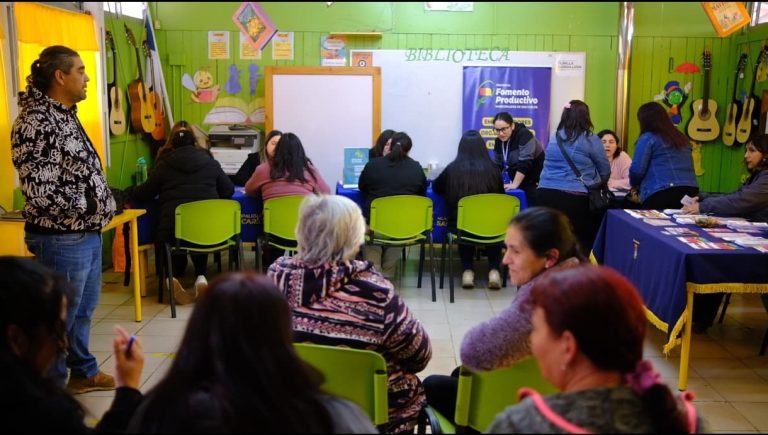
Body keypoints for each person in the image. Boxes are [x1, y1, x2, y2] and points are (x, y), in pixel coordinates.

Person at [127, 271, 376, 433]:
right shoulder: (334, 417)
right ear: (282, 334)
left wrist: (127, 389)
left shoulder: (156, 413)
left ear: (197, 330)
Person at [267, 195, 432, 434]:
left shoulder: (274, 280)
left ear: (300, 232)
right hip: (373, 419)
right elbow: (419, 356)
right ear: (356, 238)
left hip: (296, 412)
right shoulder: (377, 294)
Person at [11, 45, 118, 393]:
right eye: (81, 70)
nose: (87, 78)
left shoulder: (64, 115)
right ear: (60, 76)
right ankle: (49, 391)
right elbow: (40, 192)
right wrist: (93, 204)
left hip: (85, 233)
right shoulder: (36, 122)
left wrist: (102, 203)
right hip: (60, 238)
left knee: (82, 311)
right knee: (58, 320)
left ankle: (83, 371)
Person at [487, 265, 707, 433]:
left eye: (536, 330)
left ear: (568, 346)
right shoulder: (685, 421)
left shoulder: (521, 425)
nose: (532, 342)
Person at [423, 207, 585, 423]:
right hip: (564, 398)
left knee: (433, 384)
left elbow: (472, 350)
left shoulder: (540, 301)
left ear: (550, 257)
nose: (505, 260)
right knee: (459, 374)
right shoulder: (581, 279)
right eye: (506, 249)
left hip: (534, 408)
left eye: (515, 251)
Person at [0, 256, 145, 432]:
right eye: (58, 331)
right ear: (17, 339)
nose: (65, 343)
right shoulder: (39, 410)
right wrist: (128, 388)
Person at [129, 123, 235, 304]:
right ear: (194, 143)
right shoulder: (210, 162)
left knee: (164, 236)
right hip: (208, 230)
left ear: (172, 145)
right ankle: (201, 277)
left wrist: (131, 190)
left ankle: (171, 277)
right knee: (199, 230)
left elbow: (145, 193)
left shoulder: (164, 164)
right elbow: (228, 190)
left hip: (173, 230)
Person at [681, 134, 768, 332]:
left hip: (761, 242)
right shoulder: (759, 175)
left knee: (715, 260)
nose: (746, 156)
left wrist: (702, 206)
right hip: (752, 236)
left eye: (752, 151)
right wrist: (703, 197)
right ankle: (698, 317)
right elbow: (735, 195)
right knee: (713, 256)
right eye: (746, 150)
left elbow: (740, 202)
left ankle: (700, 318)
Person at [433, 130, 505, 289]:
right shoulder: (494, 169)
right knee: (493, 228)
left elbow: (436, 187)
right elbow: (501, 196)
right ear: (483, 148)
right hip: (491, 226)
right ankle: (494, 271)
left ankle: (467, 271)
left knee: (463, 224)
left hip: (461, 227)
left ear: (461, 148)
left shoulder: (452, 169)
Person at [537, 100, 610, 257]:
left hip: (545, 193)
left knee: (551, 240)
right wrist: (596, 184)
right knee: (578, 242)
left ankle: (550, 268)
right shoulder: (590, 138)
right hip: (574, 198)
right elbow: (605, 170)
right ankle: (575, 270)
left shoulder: (555, 136)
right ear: (586, 116)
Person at [359, 131, 428, 278]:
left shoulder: (373, 165)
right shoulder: (416, 168)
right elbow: (421, 195)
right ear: (408, 150)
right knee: (398, 230)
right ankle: (388, 272)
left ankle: (374, 271)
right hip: (404, 227)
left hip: (376, 226)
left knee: (369, 228)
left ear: (389, 146)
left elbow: (362, 187)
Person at [629, 101, 699, 209]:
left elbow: (637, 171)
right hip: (690, 191)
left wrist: (634, 185)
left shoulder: (648, 137)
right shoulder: (681, 137)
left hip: (661, 192)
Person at [244, 132, 331, 200]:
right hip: (302, 217)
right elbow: (326, 192)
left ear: (277, 149)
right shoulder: (310, 170)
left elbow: (249, 190)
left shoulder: (262, 169)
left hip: (273, 217)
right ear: (300, 151)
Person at [492, 112, 545, 206]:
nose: (500, 133)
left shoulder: (524, 135)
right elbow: (497, 166)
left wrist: (514, 184)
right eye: (497, 130)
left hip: (535, 182)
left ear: (512, 126)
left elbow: (525, 162)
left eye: (504, 129)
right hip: (519, 182)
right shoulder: (498, 141)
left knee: (532, 210)